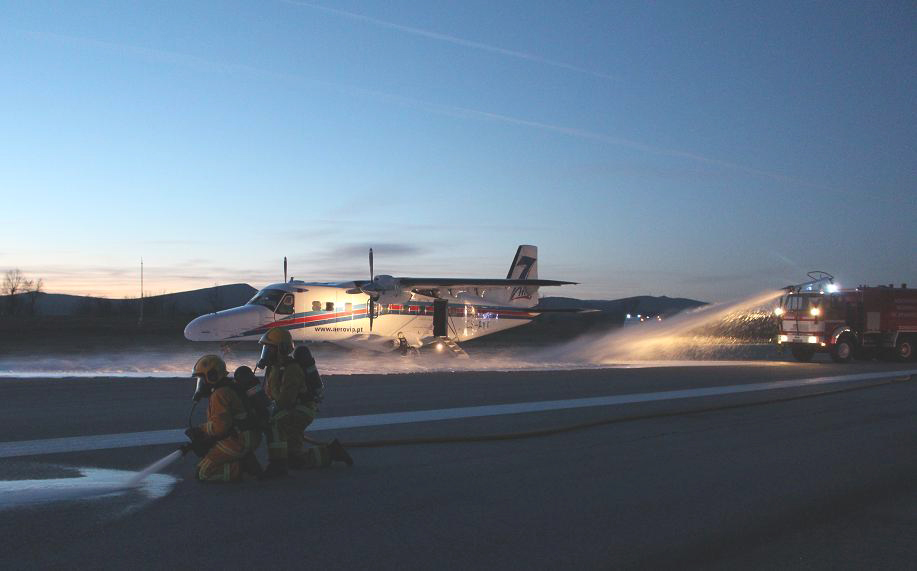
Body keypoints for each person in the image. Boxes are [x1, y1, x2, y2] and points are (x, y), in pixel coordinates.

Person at [258, 327, 352, 478]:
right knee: (295, 460)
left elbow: (285, 401)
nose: (265, 353)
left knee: (274, 423)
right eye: (265, 349)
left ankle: (277, 465)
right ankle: (332, 452)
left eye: (269, 349)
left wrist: (267, 413)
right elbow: (270, 395)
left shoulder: (291, 369)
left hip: (301, 410)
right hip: (289, 410)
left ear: (281, 349)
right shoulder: (273, 368)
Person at [187, 354, 262, 482]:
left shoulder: (219, 394)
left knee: (204, 473)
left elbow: (219, 427)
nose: (201, 384)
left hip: (239, 441)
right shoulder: (230, 387)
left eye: (202, 379)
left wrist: (201, 430)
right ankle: (243, 458)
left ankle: (242, 467)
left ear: (212, 376)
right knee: (203, 464)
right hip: (248, 436)